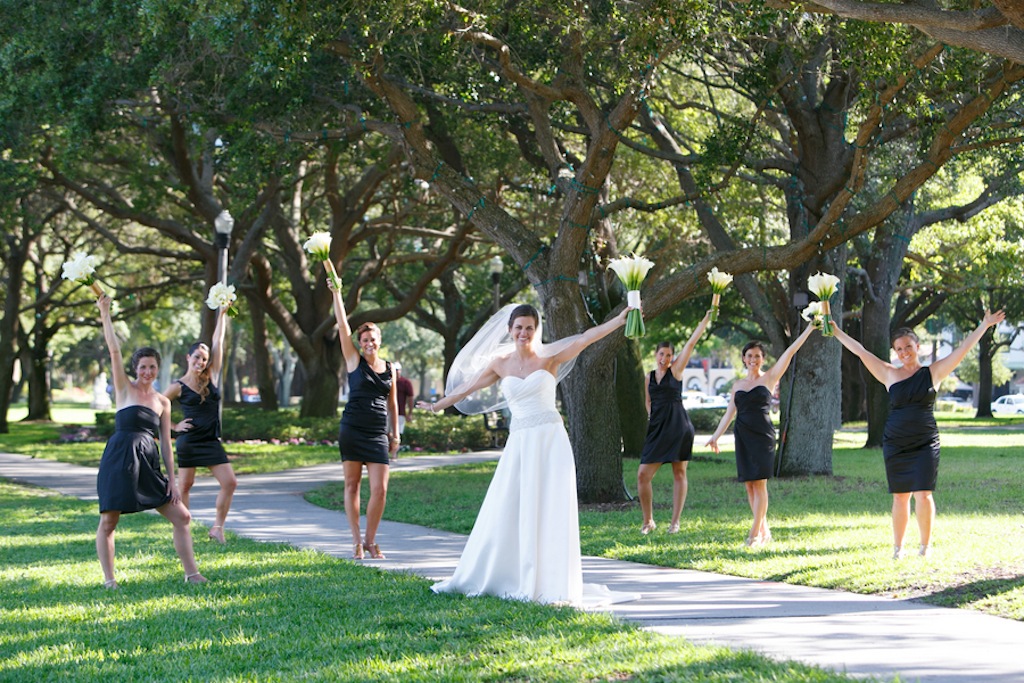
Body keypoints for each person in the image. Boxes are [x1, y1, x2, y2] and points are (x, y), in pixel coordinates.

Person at [416, 303, 638, 606]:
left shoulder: (550, 357)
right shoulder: (500, 363)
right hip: (520, 442)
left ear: (537, 330)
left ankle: (549, 578)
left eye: (529, 328)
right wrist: (437, 406)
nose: (523, 333)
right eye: (518, 327)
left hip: (550, 440)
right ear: (510, 330)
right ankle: (508, 572)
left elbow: (586, 337)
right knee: (510, 503)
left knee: (549, 505)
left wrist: (619, 320)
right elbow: (466, 388)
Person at [829, 311, 1005, 559]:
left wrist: (984, 325)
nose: (904, 353)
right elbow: (860, 352)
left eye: (908, 347)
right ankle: (898, 549)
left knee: (924, 493)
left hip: (925, 441)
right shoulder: (889, 373)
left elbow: (962, 350)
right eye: (899, 349)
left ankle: (925, 548)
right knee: (900, 496)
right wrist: (836, 332)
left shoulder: (933, 372)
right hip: (896, 442)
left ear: (918, 347)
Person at [94, 293, 206, 588]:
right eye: (142, 367)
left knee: (182, 516)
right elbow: (114, 350)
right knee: (109, 521)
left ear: (158, 369)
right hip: (119, 458)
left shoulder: (162, 402)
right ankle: (109, 580)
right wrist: (105, 313)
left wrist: (173, 480)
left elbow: (166, 444)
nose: (147, 372)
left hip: (147, 460)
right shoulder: (124, 389)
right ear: (136, 369)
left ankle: (192, 573)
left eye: (152, 367)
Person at [707, 324, 816, 547]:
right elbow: (729, 414)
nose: (753, 359)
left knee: (760, 484)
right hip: (743, 436)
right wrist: (715, 437)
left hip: (763, 436)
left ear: (762, 359)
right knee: (749, 485)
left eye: (757, 356)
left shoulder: (770, 378)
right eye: (749, 356)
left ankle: (754, 533)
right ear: (744, 359)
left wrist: (808, 329)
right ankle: (764, 530)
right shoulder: (737, 385)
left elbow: (791, 351)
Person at [329, 277, 399, 560]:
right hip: (353, 429)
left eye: (373, 339)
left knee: (380, 490)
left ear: (380, 341)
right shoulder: (353, 361)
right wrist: (337, 293)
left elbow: (393, 404)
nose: (369, 342)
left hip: (377, 434)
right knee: (352, 485)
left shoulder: (391, 368)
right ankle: (357, 540)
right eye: (365, 339)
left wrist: (396, 434)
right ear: (360, 343)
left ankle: (371, 540)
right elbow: (343, 327)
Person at [163, 305, 238, 544]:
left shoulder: (211, 376)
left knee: (230, 482)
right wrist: (174, 427)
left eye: (204, 359)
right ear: (188, 357)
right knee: (185, 485)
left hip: (210, 441)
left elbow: (218, 341)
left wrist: (223, 315)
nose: (201, 362)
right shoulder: (178, 386)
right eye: (197, 357)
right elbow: (157, 406)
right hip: (189, 442)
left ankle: (218, 528)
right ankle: (184, 528)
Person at [637, 310, 712, 535]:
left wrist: (706, 318)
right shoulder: (649, 377)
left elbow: (691, 343)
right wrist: (652, 416)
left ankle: (675, 522)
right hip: (658, 429)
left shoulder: (676, 371)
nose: (665, 359)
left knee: (679, 473)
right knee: (642, 475)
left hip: (679, 427)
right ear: (655, 354)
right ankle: (648, 521)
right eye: (662, 354)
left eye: (669, 355)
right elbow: (647, 401)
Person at [394, 361, 415, 438]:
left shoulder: (406, 383)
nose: (396, 372)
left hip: (400, 413)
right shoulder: (388, 381)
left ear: (400, 370)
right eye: (394, 370)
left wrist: (410, 413)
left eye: (397, 370)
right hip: (387, 412)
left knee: (397, 434)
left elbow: (410, 398)